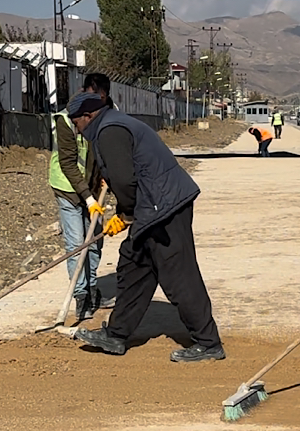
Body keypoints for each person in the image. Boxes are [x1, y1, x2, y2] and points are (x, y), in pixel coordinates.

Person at [67, 92, 225, 362]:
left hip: (164, 208)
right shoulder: (113, 123)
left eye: (76, 122)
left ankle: (208, 343)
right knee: (134, 265)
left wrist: (126, 214)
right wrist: (128, 212)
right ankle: (116, 334)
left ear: (87, 116)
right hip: (153, 205)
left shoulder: (109, 131)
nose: (75, 129)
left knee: (178, 275)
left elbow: (124, 179)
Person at [48, 94, 113, 321]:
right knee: (77, 243)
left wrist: (105, 177)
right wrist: (87, 198)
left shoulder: (99, 120)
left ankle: (93, 289)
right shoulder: (66, 122)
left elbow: (101, 153)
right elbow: (67, 163)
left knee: (94, 241)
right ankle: (81, 295)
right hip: (68, 189)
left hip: (92, 188)